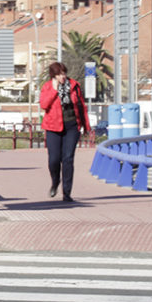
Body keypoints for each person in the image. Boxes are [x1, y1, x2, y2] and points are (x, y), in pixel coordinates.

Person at [39, 61, 90, 202]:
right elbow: (44, 105)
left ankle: (67, 193)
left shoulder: (74, 86)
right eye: (59, 74)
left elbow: (81, 107)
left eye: (63, 73)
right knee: (54, 160)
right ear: (53, 76)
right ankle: (55, 181)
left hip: (71, 127)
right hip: (52, 127)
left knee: (68, 159)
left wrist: (86, 126)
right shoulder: (48, 87)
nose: (62, 77)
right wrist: (54, 91)